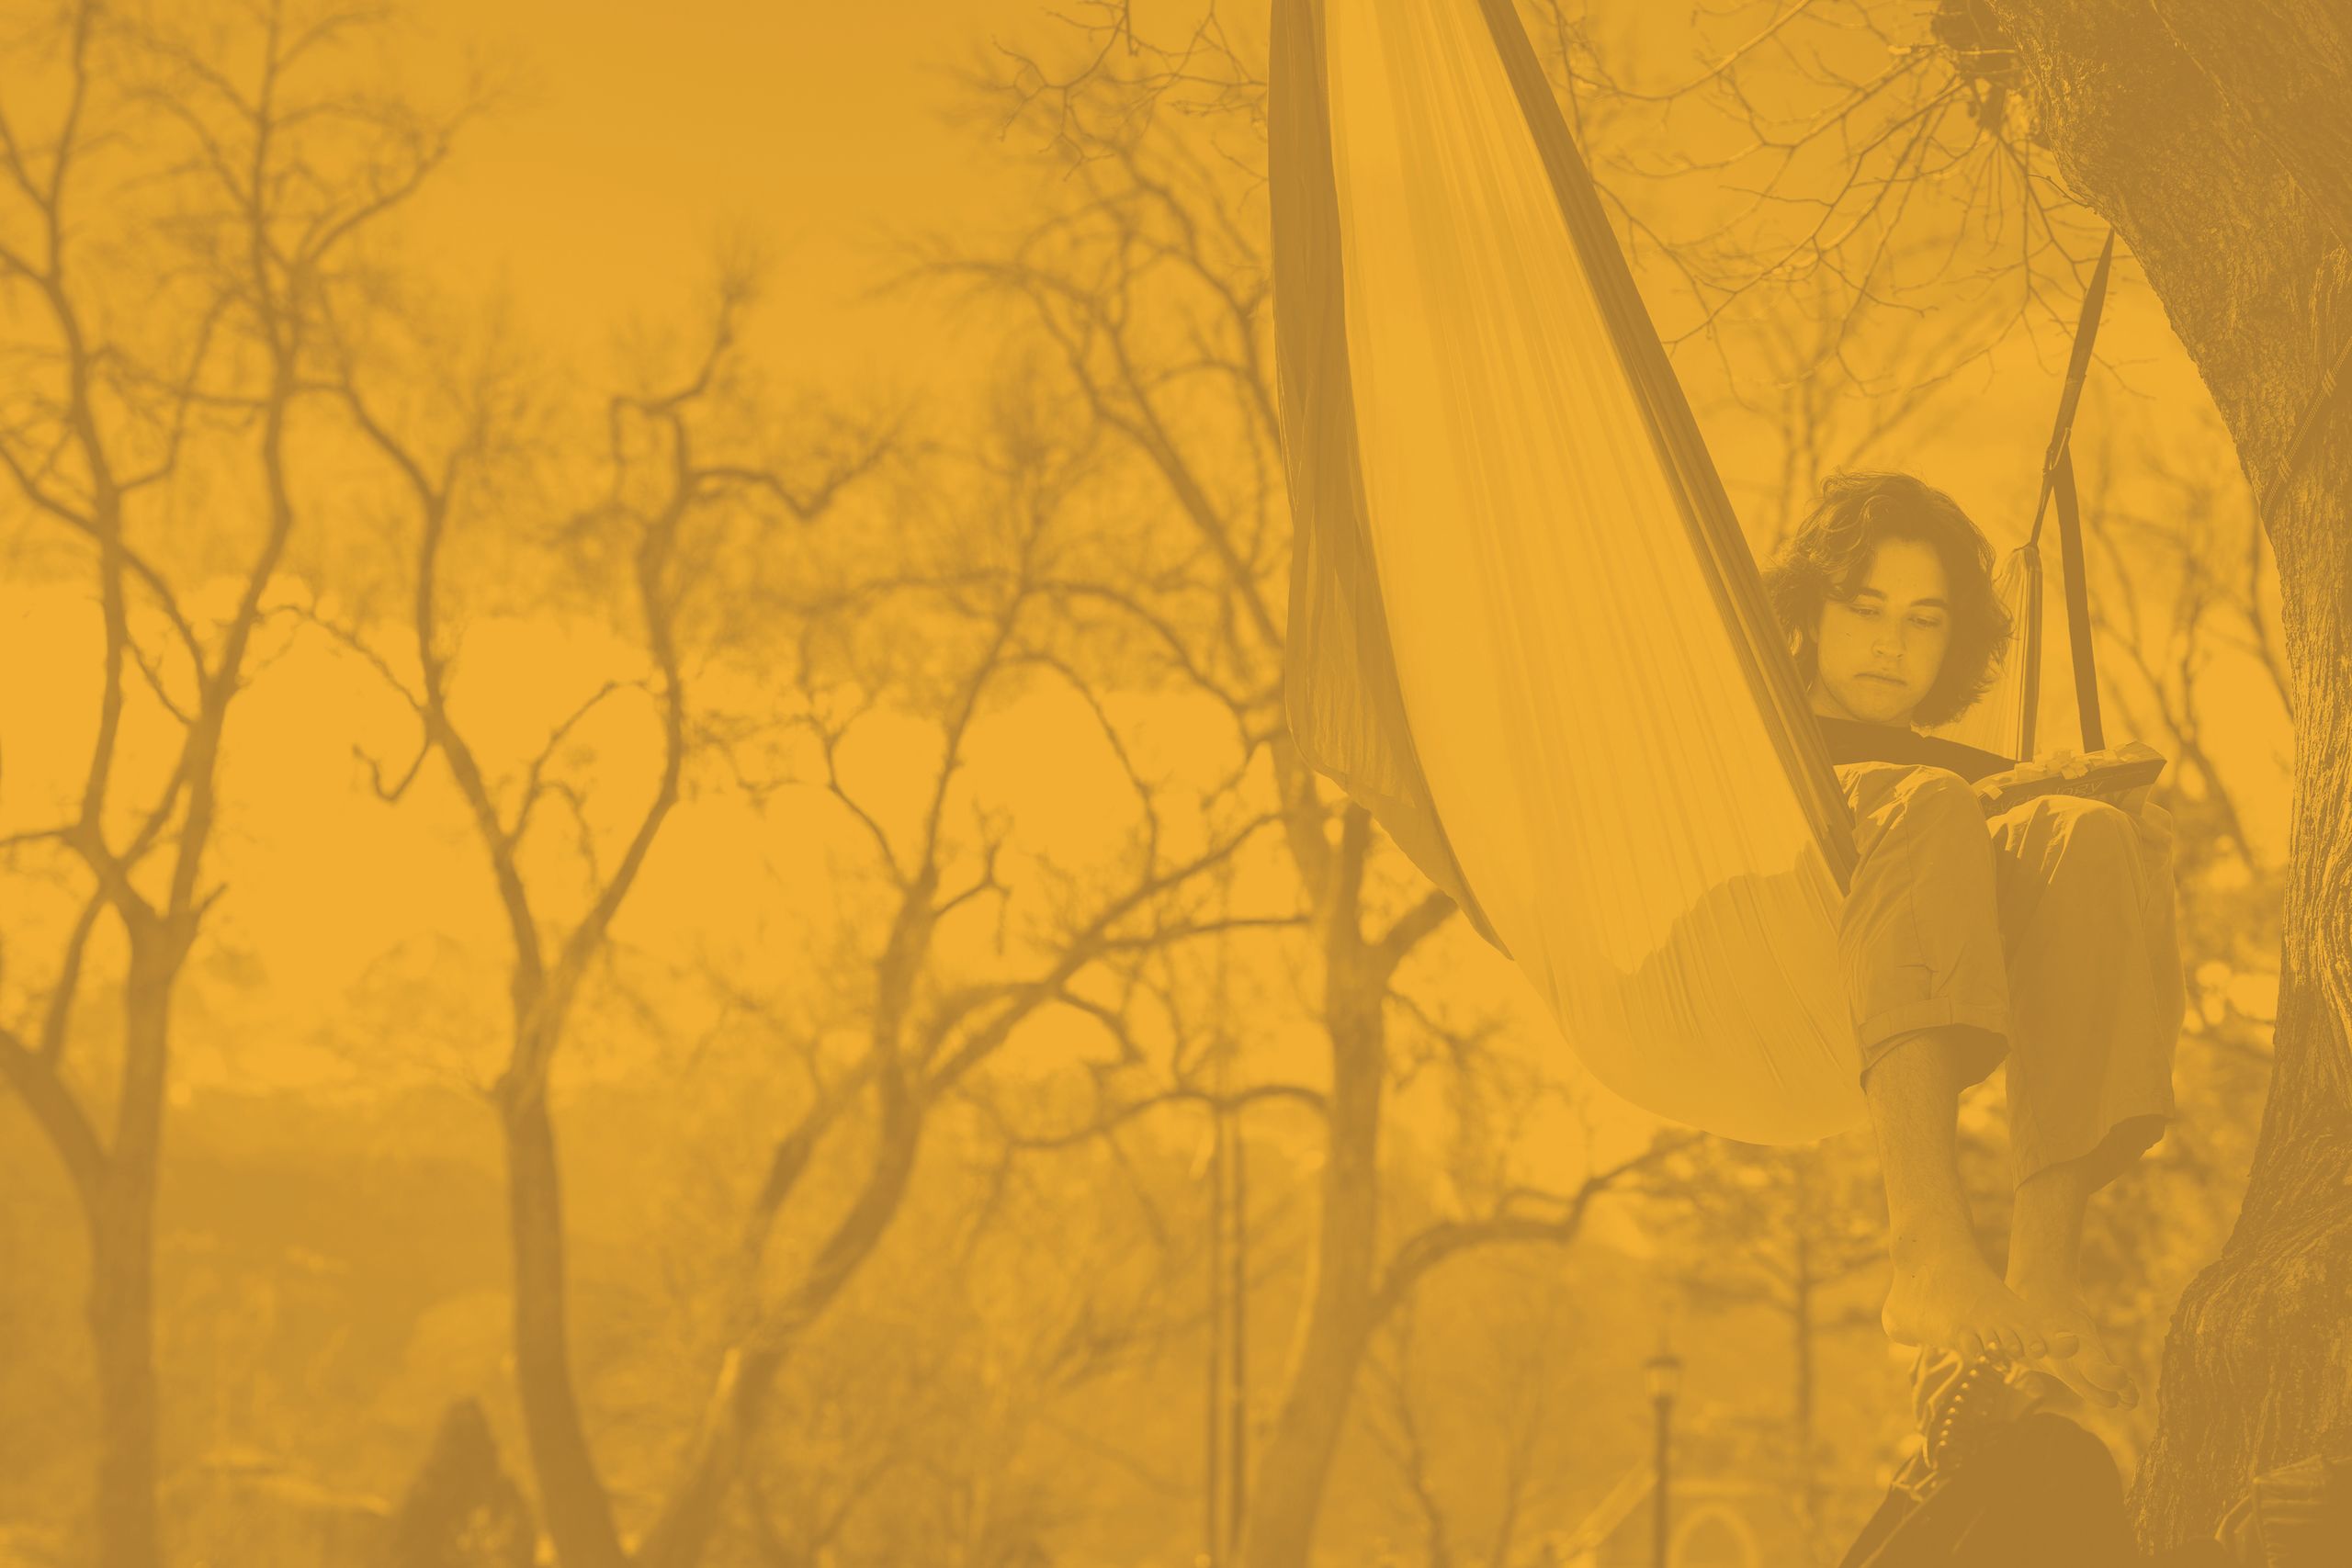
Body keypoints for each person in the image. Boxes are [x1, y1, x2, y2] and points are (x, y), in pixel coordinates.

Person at [1762, 471, 2185, 1411]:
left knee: (2089, 831)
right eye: (1864, 606)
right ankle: (1926, 1249)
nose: (1889, 641)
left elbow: (2107, 973)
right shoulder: (1754, 735)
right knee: (1933, 803)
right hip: (1789, 946)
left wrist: (2143, 870)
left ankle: (2041, 1269)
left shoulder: (1972, 782)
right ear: (1811, 612)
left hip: (1943, 927)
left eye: (1924, 619)